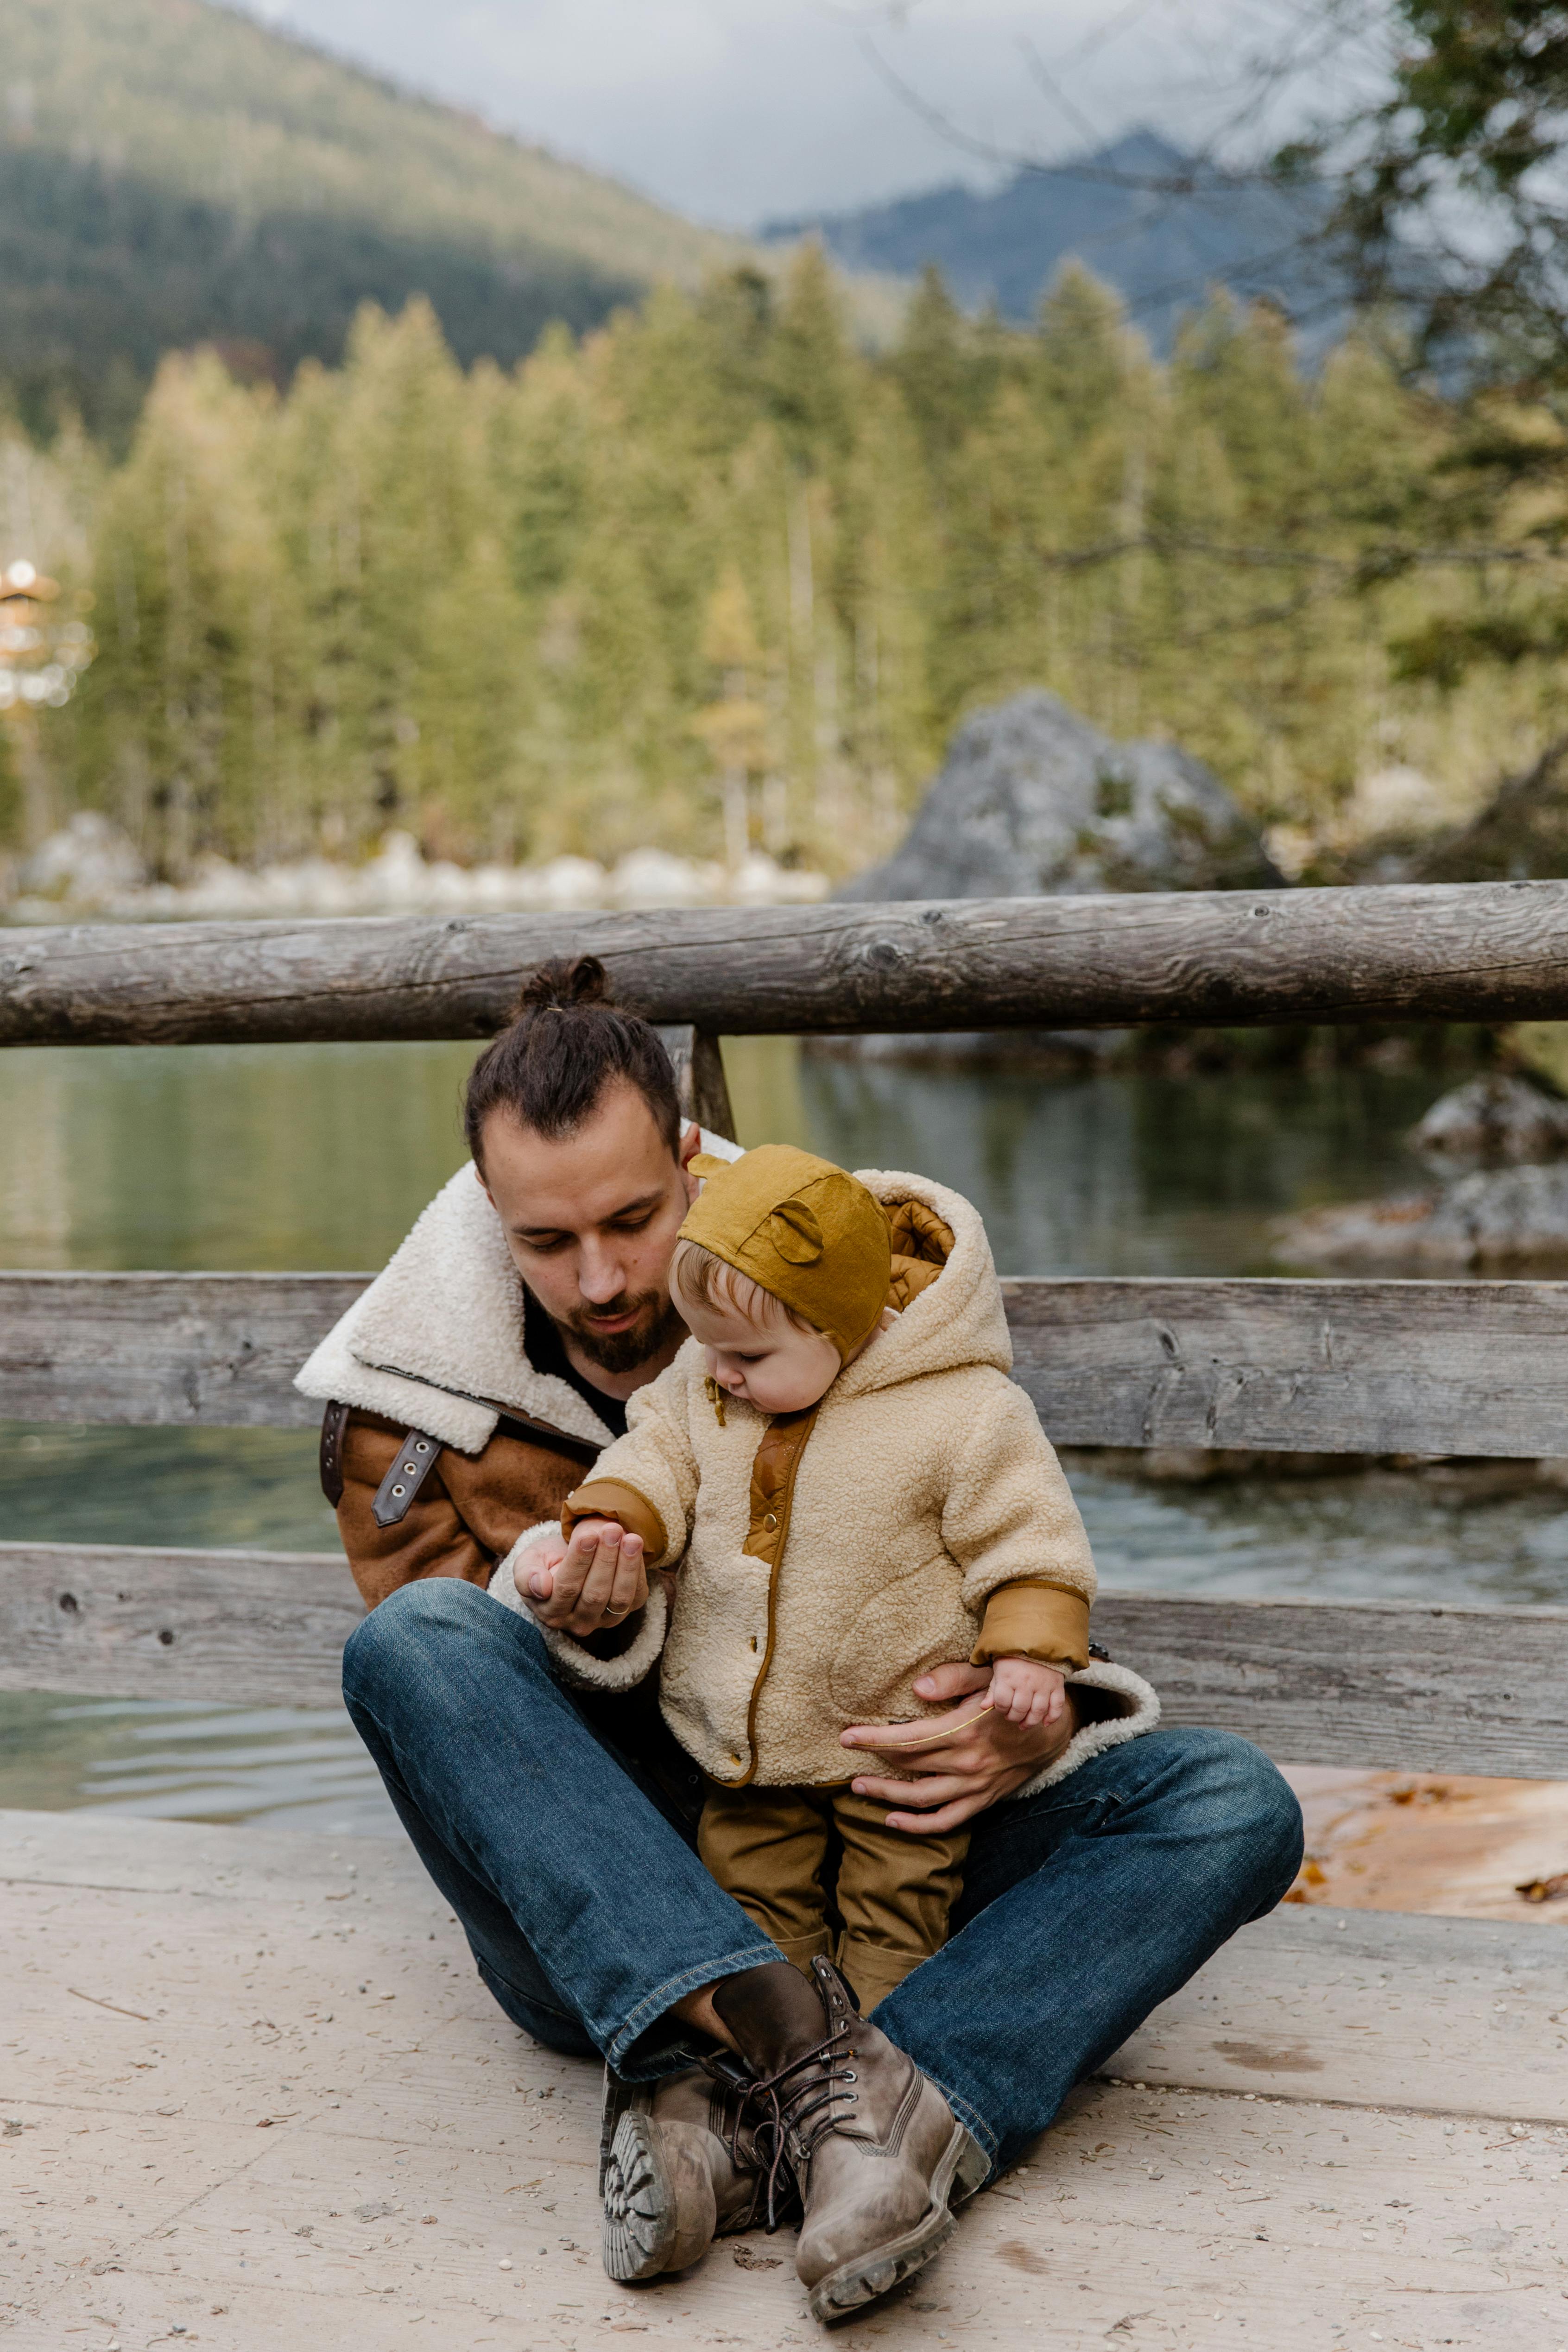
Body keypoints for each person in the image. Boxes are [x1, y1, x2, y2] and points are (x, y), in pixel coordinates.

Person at [300, 959, 1303, 2323]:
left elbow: (996, 1561)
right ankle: (803, 2050)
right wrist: (582, 1610)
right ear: (488, 1211)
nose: (598, 1278)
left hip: (893, 1834)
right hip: (621, 1904)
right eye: (544, 1240)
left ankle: (772, 2104)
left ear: (694, 1164)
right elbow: (487, 1749)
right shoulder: (405, 1410)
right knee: (417, 1639)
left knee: (1230, 1801)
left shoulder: (844, 1295)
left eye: (634, 1219)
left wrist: (1029, 1722)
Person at [553, 1140, 1106, 2028]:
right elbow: (654, 1454)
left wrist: (1029, 1657)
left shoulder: (961, 1412)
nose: (722, 1373)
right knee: (753, 1895)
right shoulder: (707, 1387)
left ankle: (884, 2042)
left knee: (900, 1902)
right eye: (708, 1348)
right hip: (746, 1743)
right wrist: (617, 1518)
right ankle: (784, 2039)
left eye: (749, 1356)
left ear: (843, 1326)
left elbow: (1030, 1541)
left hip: (898, 1745)